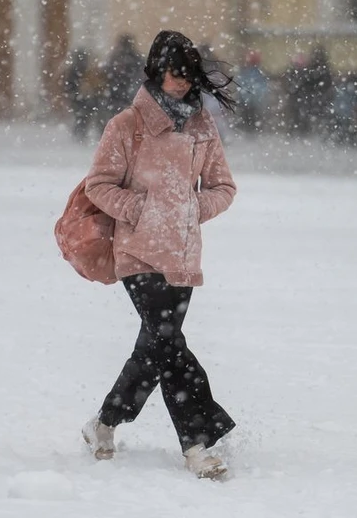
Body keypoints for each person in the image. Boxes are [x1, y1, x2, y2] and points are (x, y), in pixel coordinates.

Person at [80, 29, 238, 480]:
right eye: (174, 73)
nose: (182, 82)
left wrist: (191, 211)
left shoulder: (202, 126)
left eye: (189, 74)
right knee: (168, 342)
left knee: (156, 348)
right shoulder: (127, 124)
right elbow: (99, 185)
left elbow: (224, 187)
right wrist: (141, 211)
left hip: (183, 256)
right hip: (138, 254)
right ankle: (197, 443)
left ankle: (104, 423)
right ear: (155, 70)